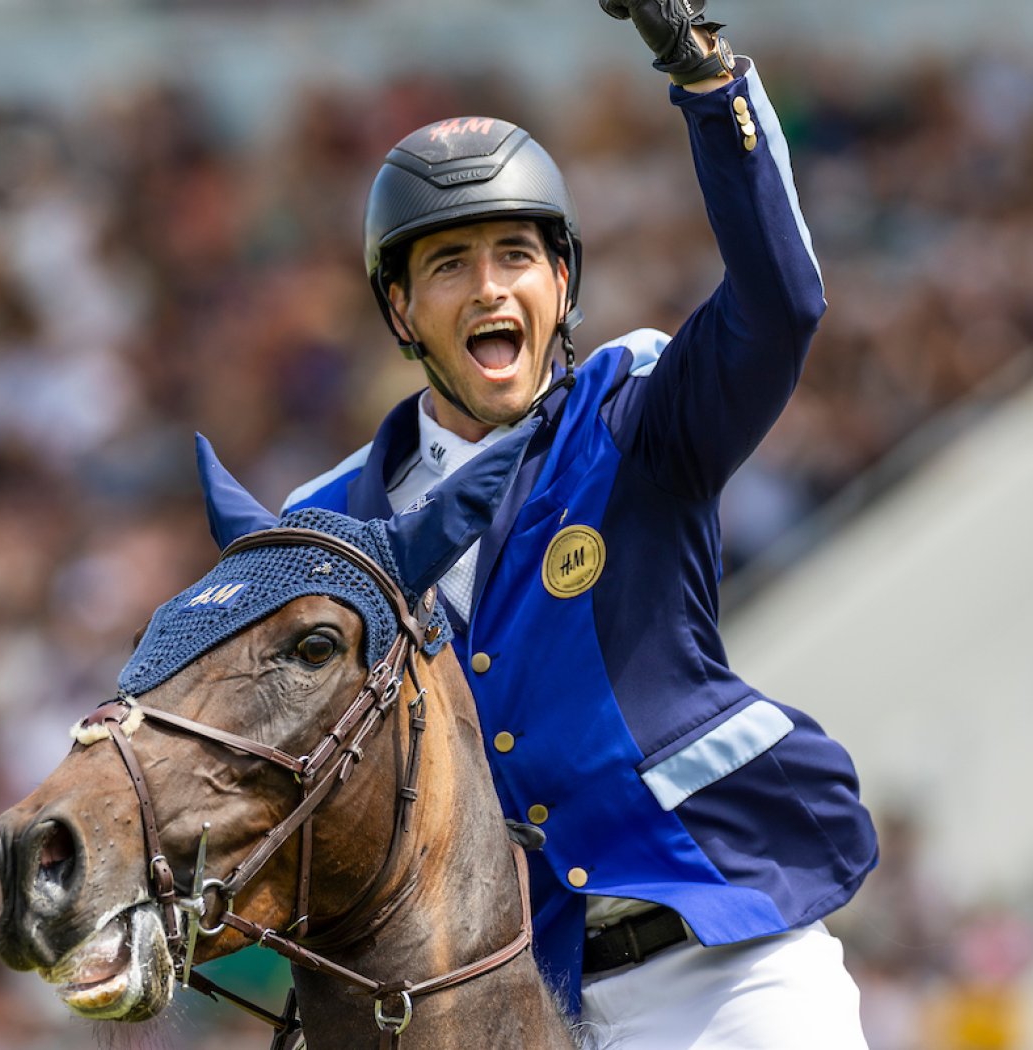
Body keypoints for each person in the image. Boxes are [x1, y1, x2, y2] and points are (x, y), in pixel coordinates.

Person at [281, 1, 878, 1046]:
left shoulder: (633, 412)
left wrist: (706, 77)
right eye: (448, 265)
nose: (489, 288)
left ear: (561, 283)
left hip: (728, 967)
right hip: (510, 1008)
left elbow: (780, 306)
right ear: (399, 309)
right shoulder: (324, 527)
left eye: (515, 254)